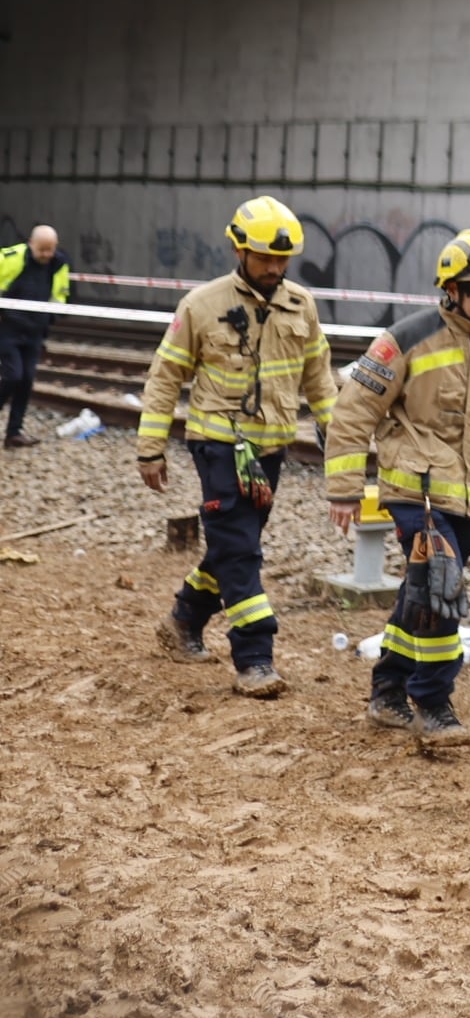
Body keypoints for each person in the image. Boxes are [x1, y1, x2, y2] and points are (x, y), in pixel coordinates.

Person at [322, 229, 470, 748]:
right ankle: (433, 703)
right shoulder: (407, 338)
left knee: (419, 596)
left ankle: (386, 693)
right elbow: (353, 411)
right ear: (452, 291)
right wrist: (344, 489)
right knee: (439, 589)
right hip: (415, 495)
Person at [138, 197, 339, 698]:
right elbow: (166, 378)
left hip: (270, 452)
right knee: (242, 551)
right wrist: (150, 448)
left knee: (231, 548)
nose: (274, 268)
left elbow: (319, 378)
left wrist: (339, 435)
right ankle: (254, 657)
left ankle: (184, 619)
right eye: (265, 258)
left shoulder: (301, 305)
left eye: (282, 260)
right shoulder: (201, 305)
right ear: (238, 248)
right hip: (218, 446)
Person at [0, 225, 71, 448]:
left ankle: (14, 433)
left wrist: (51, 318)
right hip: (8, 329)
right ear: (31, 243)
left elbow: (59, 296)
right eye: (42, 249)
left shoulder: (59, 264)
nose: (46, 255)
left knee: (26, 381)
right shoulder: (13, 257)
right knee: (13, 376)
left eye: (50, 250)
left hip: (34, 333)